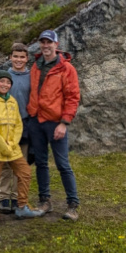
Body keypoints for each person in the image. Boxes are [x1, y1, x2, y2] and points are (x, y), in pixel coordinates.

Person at [26, 30, 82, 220]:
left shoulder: (67, 69)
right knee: (41, 163)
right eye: (42, 42)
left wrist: (64, 123)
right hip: (36, 121)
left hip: (55, 124)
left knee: (62, 164)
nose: (45, 46)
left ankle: (73, 205)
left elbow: (73, 98)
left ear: (56, 45)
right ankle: (45, 202)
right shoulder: (36, 65)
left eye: (49, 42)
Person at [0, 69, 44, 225]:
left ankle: (21, 206)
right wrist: (4, 147)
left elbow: (18, 124)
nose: (5, 84)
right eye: (2, 81)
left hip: (12, 148)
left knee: (25, 172)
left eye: (8, 82)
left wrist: (13, 143)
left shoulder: (13, 102)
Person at [0, 43, 35, 215]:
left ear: (27, 58)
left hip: (25, 125)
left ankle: (17, 198)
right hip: (6, 126)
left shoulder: (32, 77)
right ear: (10, 57)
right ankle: (3, 197)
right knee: (5, 164)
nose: (18, 60)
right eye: (15, 56)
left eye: (22, 57)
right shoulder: (5, 76)